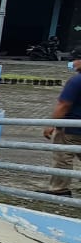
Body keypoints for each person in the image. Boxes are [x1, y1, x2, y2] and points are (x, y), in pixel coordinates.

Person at [42, 50, 81, 196]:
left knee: (63, 157)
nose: (73, 63)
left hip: (71, 127)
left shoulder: (76, 81)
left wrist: (51, 124)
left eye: (75, 60)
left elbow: (63, 104)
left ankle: (60, 189)